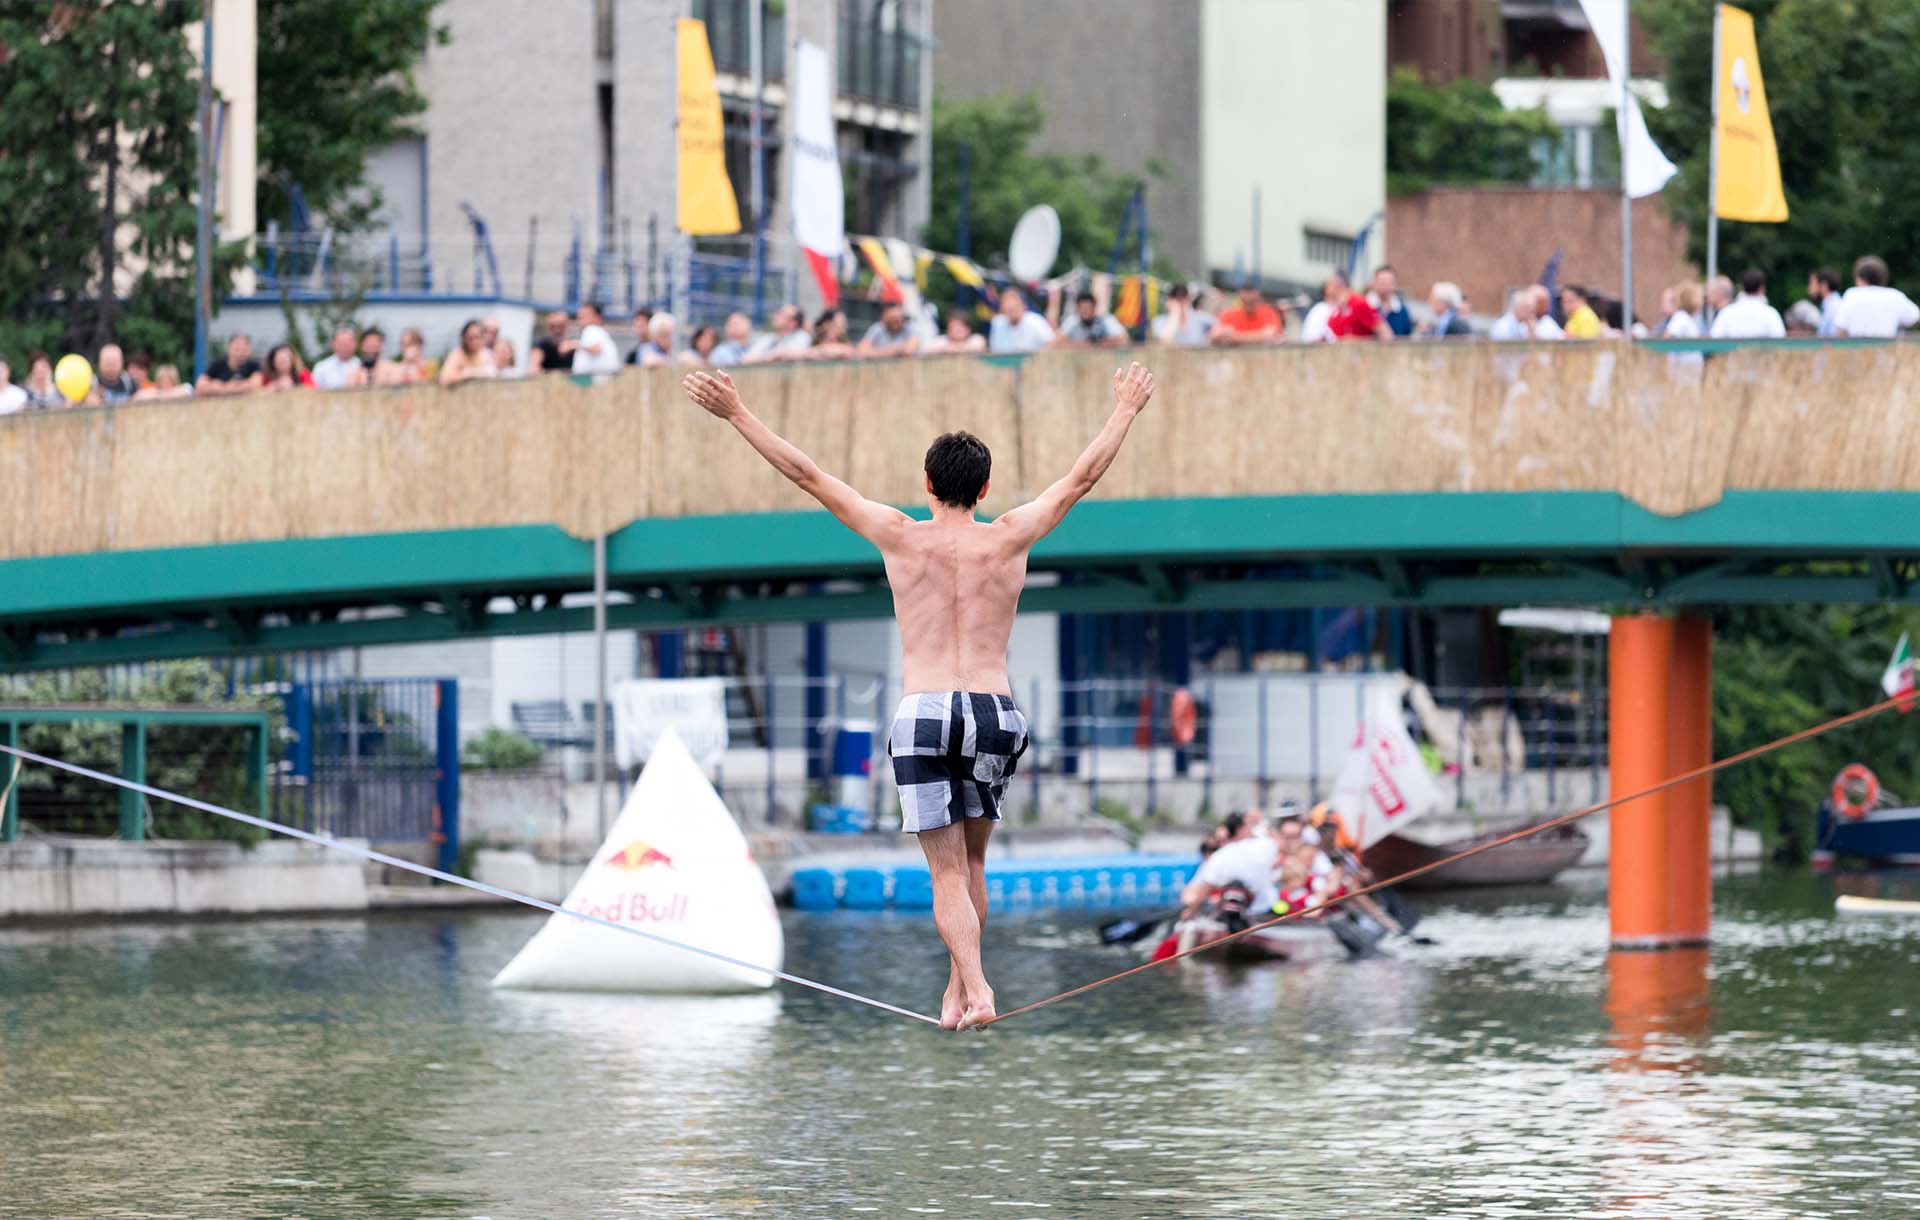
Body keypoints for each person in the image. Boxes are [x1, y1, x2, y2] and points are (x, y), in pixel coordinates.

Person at [682, 359, 1156, 1031]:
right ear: (985, 486)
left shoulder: (898, 536)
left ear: (926, 484)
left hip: (927, 712)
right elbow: (1083, 476)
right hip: (995, 710)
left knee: (944, 874)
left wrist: (735, 413)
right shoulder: (1012, 534)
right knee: (974, 861)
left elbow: (807, 474)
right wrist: (1126, 409)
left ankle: (976, 987)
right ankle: (963, 986)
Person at [1833, 255, 1920, 338]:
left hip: (1858, 351)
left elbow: (1840, 331)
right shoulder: (1894, 296)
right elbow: (1917, 318)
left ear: (1860, 279)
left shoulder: (1851, 295)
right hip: (1889, 351)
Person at [1709, 268, 1786, 339]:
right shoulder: (1771, 314)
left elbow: (1714, 340)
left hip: (1733, 354)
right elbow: (1780, 341)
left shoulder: (1726, 313)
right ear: (1762, 288)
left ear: (1742, 287)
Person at [1210, 282, 1284, 345]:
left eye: (1252, 301)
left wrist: (1233, 336)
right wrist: (1260, 336)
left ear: (1258, 297)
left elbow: (1272, 335)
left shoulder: (1269, 313)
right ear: (1240, 298)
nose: (1248, 302)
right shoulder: (1229, 315)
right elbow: (1214, 336)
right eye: (1245, 301)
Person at [1325, 270, 1388, 340]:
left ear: (1338, 284)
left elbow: (1384, 332)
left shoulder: (1358, 303)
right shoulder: (1337, 307)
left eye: (1329, 284)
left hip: (1360, 350)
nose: (1326, 288)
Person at [987, 289, 1054, 354]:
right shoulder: (997, 323)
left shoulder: (1035, 321)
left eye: (1015, 308)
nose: (1012, 313)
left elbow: (1051, 343)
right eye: (1008, 310)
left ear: (1023, 306)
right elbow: (995, 351)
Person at [196, 333, 263, 396]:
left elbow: (256, 385)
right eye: (237, 349)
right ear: (229, 348)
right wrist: (240, 386)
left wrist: (220, 386)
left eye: (244, 349)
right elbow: (200, 386)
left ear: (250, 350)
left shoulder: (254, 365)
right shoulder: (217, 364)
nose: (241, 353)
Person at [1150, 282, 1215, 347]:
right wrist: (1175, 313)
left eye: (1184, 297)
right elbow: (1165, 341)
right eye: (1175, 297)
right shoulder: (1159, 320)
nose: (1180, 301)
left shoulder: (1202, 318)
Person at [439, 319, 499, 386]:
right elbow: (444, 379)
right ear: (464, 339)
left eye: (477, 337)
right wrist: (465, 374)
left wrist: (471, 372)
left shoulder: (487, 353)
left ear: (483, 337)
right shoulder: (458, 354)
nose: (474, 341)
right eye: (470, 338)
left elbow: (494, 373)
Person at [745, 303, 813, 362]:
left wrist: (778, 355)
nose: (775, 316)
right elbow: (746, 359)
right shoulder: (768, 338)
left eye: (781, 314)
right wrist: (769, 357)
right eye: (777, 313)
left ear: (793, 323)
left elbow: (798, 354)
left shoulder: (801, 336)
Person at [1057, 291, 1128, 347]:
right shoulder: (1072, 322)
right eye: (1082, 308)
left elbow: (1124, 339)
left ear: (1094, 307)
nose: (1085, 311)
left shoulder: (1105, 320)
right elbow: (1056, 342)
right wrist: (1084, 345)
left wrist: (1101, 344)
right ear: (1077, 308)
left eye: (1088, 308)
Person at [570, 301, 622, 377]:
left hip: (594, 383)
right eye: (579, 316)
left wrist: (571, 345)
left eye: (584, 316)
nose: (579, 319)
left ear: (597, 318)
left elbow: (596, 349)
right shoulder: (602, 334)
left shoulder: (591, 329)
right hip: (603, 382)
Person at [310, 326, 367, 390]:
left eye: (348, 344)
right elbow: (313, 390)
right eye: (341, 344)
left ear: (355, 344)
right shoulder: (321, 367)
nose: (344, 347)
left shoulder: (362, 366)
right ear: (333, 344)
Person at [1367, 265, 1413, 337]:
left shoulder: (1401, 310)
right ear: (1374, 283)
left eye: (1389, 283)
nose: (1386, 287)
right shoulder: (1365, 307)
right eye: (1383, 283)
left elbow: (1407, 335)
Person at [1809, 267, 1844, 338]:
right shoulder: (1832, 304)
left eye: (1812, 283)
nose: (1809, 288)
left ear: (1823, 285)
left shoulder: (1833, 307)